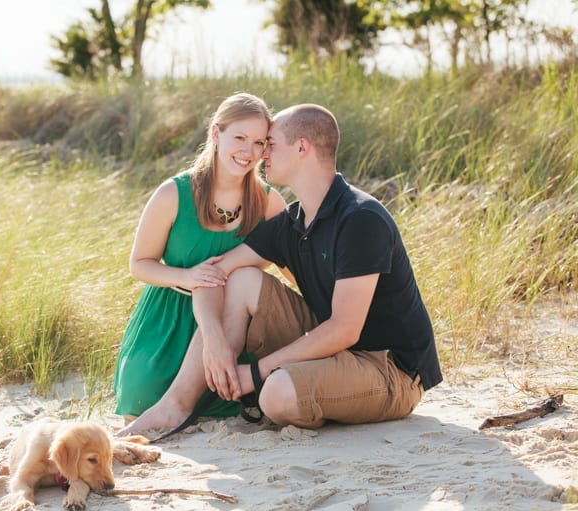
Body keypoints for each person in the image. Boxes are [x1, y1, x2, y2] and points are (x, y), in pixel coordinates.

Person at [120, 103, 442, 435]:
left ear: (302, 147)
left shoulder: (361, 218)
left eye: (269, 144)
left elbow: (345, 330)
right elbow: (214, 272)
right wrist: (214, 337)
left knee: (276, 394)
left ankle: (291, 391)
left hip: (387, 366)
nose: (261, 155)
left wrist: (256, 373)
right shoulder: (292, 221)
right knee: (243, 279)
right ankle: (176, 406)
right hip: (336, 348)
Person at [113, 93, 287, 419]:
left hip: (238, 322)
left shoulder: (268, 202)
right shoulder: (173, 194)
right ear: (215, 134)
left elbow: (294, 266)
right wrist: (188, 277)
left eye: (259, 142)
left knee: (239, 399)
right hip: (169, 317)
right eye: (239, 138)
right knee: (141, 399)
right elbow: (140, 264)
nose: (249, 152)